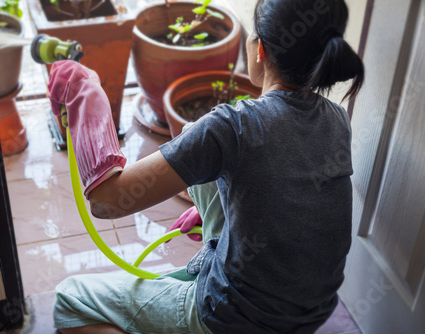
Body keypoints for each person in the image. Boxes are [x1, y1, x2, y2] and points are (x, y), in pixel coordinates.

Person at [49, 0, 364, 333]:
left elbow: (107, 201)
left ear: (261, 51)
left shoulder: (233, 127)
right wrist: (225, 210)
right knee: (196, 143)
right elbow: (284, 185)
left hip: (231, 318)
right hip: (310, 313)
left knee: (71, 300)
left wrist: (85, 90)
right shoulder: (337, 119)